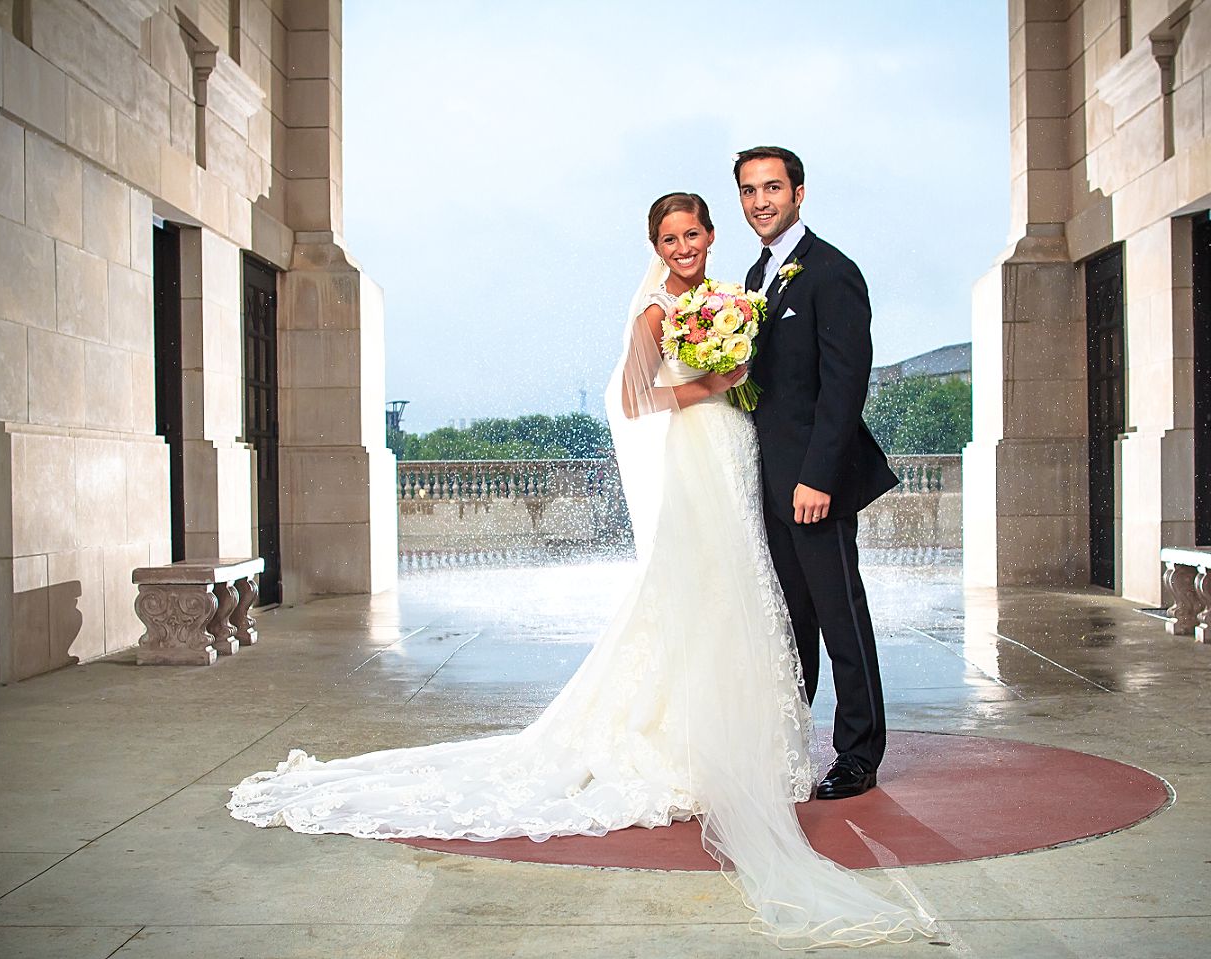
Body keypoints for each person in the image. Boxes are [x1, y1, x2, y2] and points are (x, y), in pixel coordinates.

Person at [228, 192, 935, 947]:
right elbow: (631, 399)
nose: (684, 246)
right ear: (655, 245)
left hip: (739, 456)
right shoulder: (657, 309)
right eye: (670, 237)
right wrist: (712, 384)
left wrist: (735, 373)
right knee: (701, 594)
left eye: (693, 233)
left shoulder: (733, 295)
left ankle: (760, 735)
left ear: (712, 235)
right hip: (697, 457)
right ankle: (694, 742)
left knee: (749, 598)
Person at [736, 146, 898, 800]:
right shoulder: (755, 274)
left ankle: (859, 755)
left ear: (799, 192)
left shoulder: (833, 272)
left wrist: (818, 477)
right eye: (749, 190)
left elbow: (844, 385)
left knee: (840, 619)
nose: (760, 201)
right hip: (767, 484)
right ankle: (788, 743)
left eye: (772, 187)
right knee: (792, 622)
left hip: (812, 485)